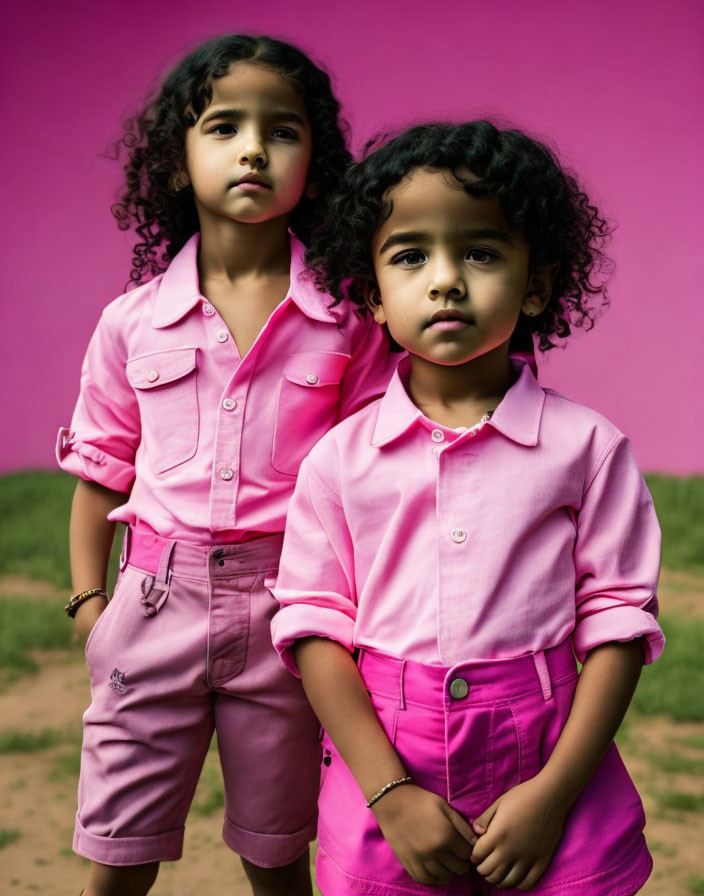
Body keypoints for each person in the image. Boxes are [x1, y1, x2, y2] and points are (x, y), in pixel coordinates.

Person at [270, 120, 664, 895]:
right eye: (410, 255)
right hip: (387, 761)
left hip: (553, 757)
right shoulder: (340, 463)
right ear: (373, 297)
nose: (446, 279)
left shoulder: (589, 449)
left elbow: (620, 625)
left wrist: (552, 797)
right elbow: (313, 629)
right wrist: (392, 797)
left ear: (538, 283)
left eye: (481, 252)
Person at [57, 33, 396, 896]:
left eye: (282, 131)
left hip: (289, 617)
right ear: (179, 161)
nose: (253, 148)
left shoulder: (350, 322)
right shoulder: (129, 323)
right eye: (223, 127)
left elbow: (368, 478)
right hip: (152, 604)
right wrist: (92, 606)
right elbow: (101, 467)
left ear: (314, 167)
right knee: (117, 856)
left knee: (277, 852)